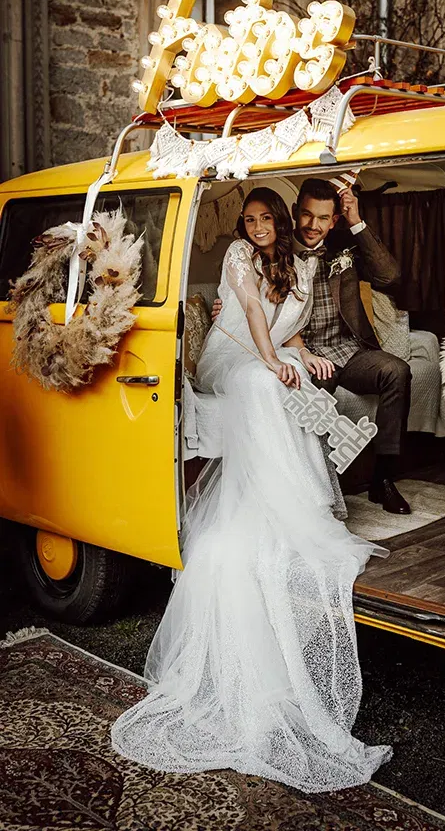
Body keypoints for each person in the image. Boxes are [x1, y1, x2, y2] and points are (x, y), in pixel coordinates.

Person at [111, 187, 392, 793]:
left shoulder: (303, 261)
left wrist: (305, 357)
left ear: (283, 223)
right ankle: (280, 503)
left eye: (268, 219)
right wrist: (274, 363)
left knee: (309, 390)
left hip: (267, 351)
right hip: (230, 357)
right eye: (252, 219)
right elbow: (257, 321)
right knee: (271, 389)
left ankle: (306, 500)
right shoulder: (238, 255)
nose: (259, 227)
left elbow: (289, 325)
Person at [213, 178, 412, 515]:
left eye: (323, 218)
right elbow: (255, 298)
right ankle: (319, 491)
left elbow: (390, 276)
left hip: (349, 350)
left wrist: (356, 221)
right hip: (305, 353)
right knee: (301, 395)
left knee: (397, 371)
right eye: (306, 215)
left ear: (333, 220)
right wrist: (228, 305)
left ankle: (383, 479)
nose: (312, 225)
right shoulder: (275, 247)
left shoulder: (343, 248)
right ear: (293, 213)